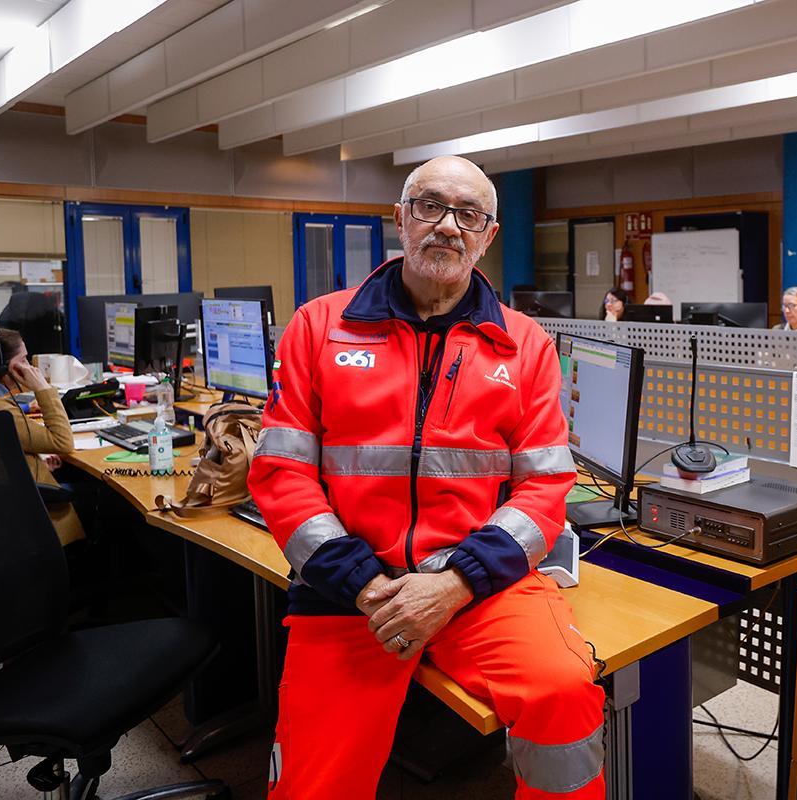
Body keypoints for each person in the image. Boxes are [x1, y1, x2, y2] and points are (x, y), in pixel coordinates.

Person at [249, 156, 604, 799]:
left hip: (482, 587)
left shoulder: (525, 345)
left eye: (468, 214)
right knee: (313, 785)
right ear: (401, 218)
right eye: (430, 206)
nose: (447, 226)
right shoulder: (319, 327)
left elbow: (546, 487)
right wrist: (363, 584)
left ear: (488, 235)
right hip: (352, 593)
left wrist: (455, 583)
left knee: (563, 695)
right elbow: (281, 470)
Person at [0, 326, 84, 545]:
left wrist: (29, 463)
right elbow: (62, 441)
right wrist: (43, 388)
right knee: (105, 498)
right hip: (35, 517)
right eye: (23, 360)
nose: (29, 367)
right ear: (4, 367)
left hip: (8, 504)